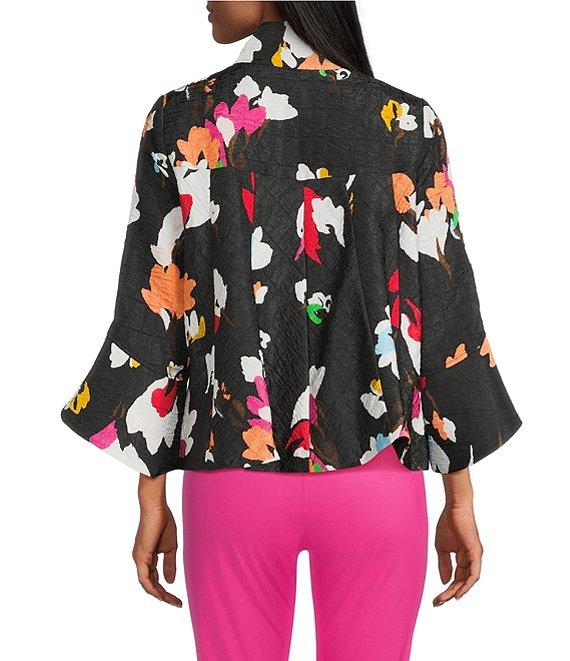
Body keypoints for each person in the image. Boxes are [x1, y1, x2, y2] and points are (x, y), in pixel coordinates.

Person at [60, 1, 522, 659]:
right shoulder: (407, 124)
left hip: (230, 477)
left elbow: (154, 309)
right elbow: (445, 316)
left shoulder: (181, 120)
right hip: (377, 481)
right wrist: (461, 496)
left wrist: (152, 491)